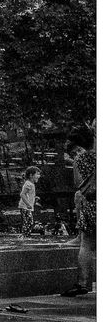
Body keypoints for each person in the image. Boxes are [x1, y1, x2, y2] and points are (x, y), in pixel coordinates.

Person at [61, 124, 95, 297]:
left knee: (86, 244)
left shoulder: (80, 160)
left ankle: (82, 283)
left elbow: (78, 184)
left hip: (92, 204)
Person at [18, 166, 41, 237]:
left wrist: (34, 198)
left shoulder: (31, 184)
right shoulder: (28, 184)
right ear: (31, 175)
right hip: (25, 207)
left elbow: (28, 194)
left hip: (27, 207)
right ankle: (24, 236)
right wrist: (28, 204)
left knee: (28, 222)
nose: (39, 176)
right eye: (37, 174)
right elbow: (22, 194)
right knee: (28, 222)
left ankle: (25, 236)